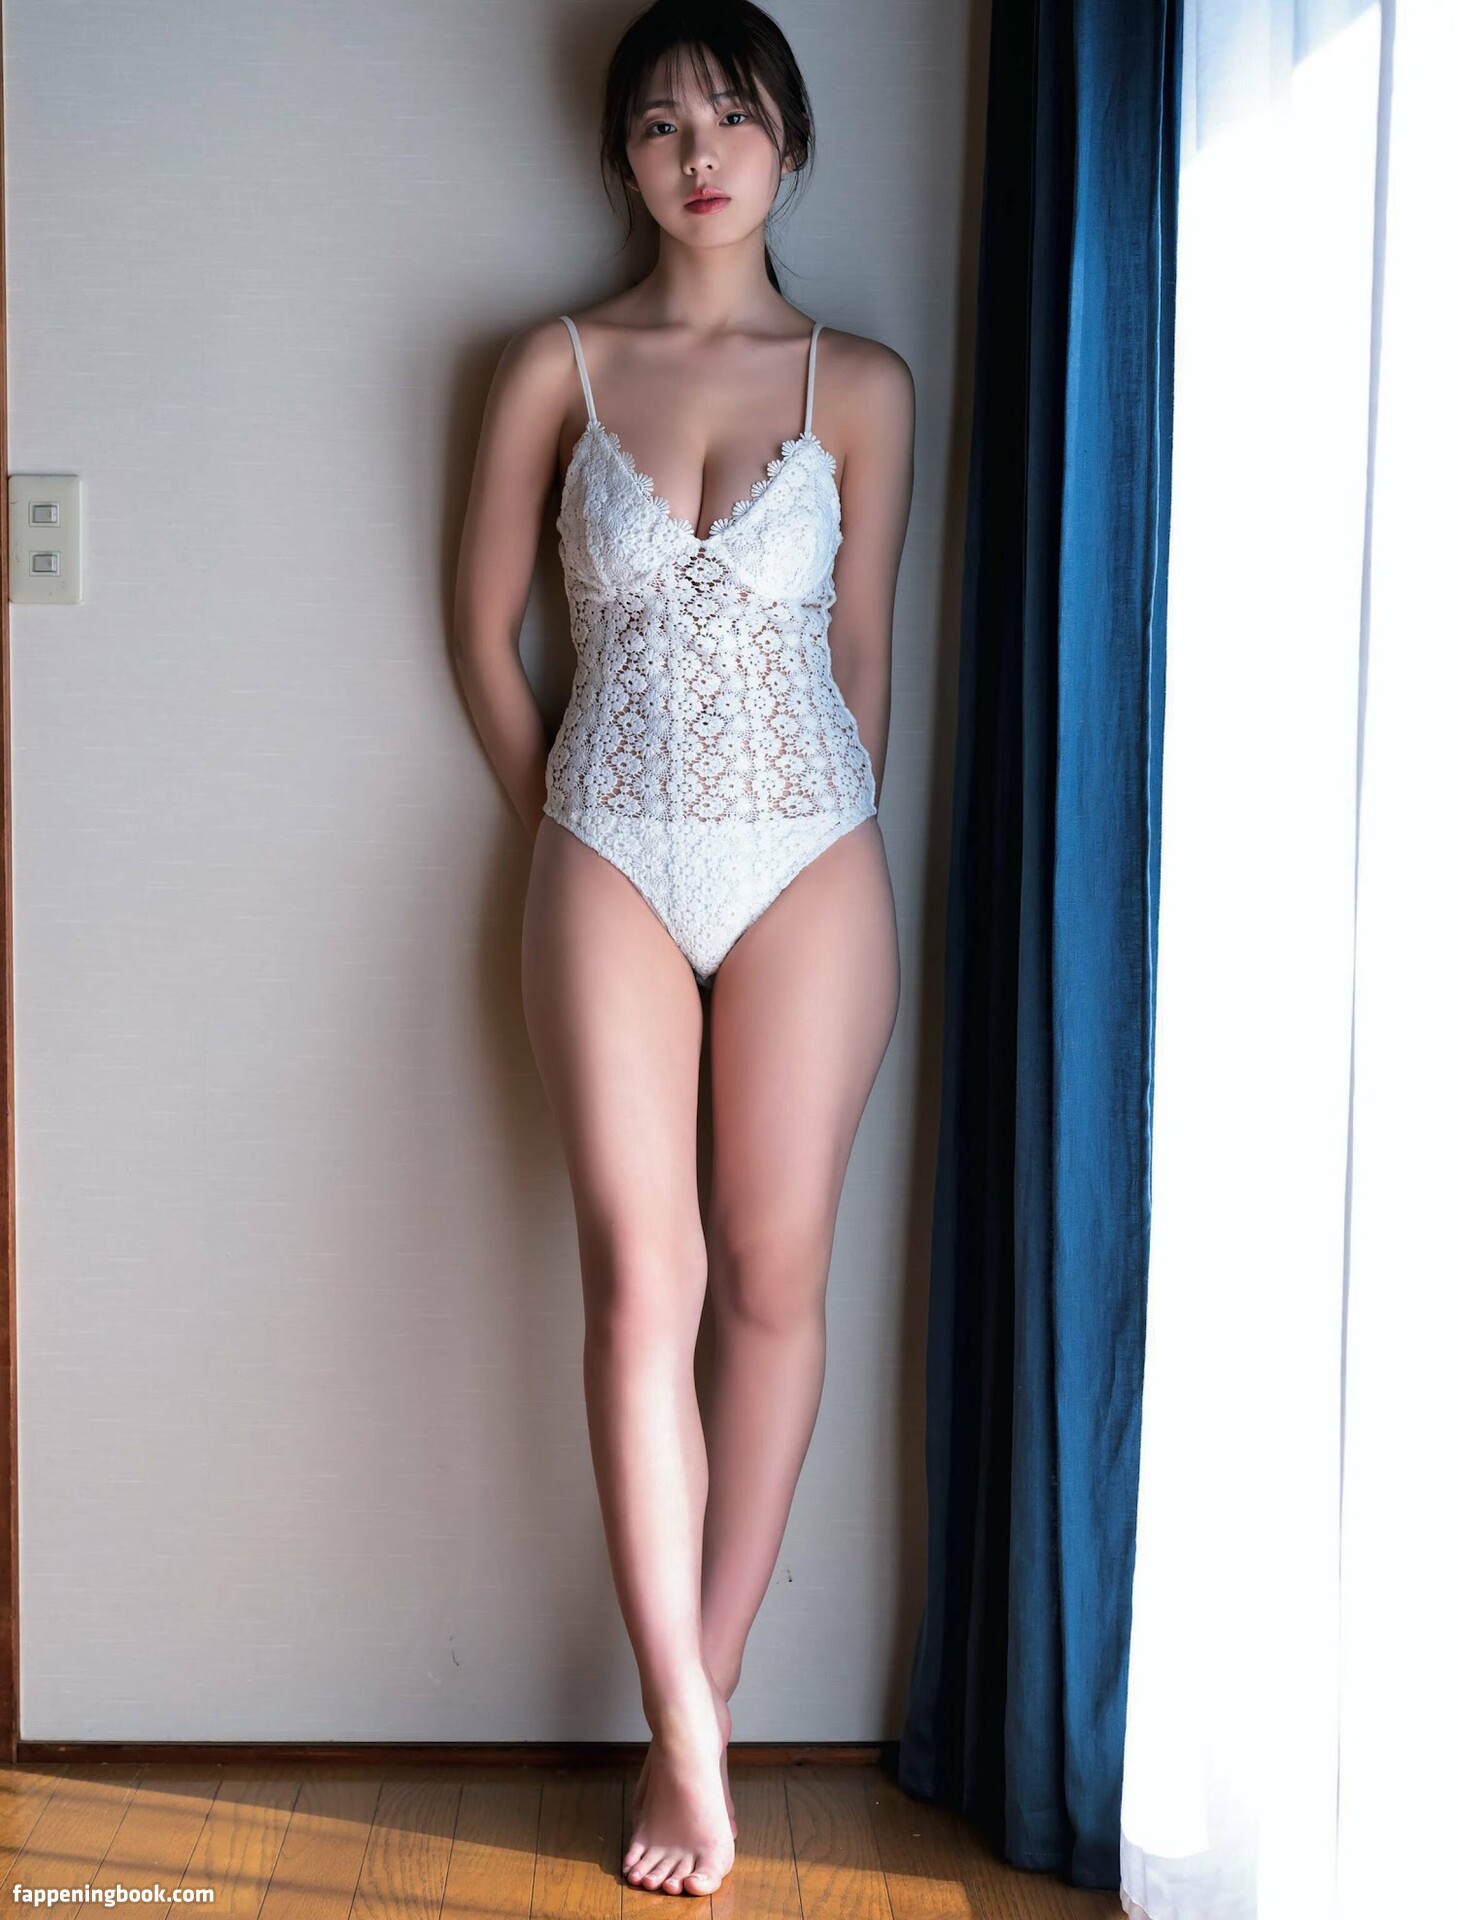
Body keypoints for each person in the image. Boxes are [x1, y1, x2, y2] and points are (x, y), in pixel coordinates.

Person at [453, 0, 913, 1897]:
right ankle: (693, 1727)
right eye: (657, 124)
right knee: (644, 1284)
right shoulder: (550, 365)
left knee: (775, 1279)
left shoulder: (858, 384)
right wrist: (568, 823)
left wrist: (821, 828)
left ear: (788, 139)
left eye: (729, 114)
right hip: (604, 852)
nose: (696, 152)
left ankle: (689, 1716)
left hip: (813, 853)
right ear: (621, 160)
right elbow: (485, 635)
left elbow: (861, 656)